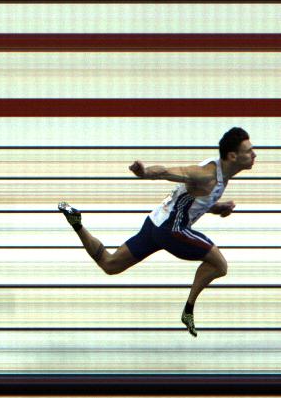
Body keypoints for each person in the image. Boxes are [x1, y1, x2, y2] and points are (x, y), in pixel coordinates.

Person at [59, 127, 255, 337]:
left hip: (155, 222)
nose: (254, 155)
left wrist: (218, 208)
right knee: (219, 265)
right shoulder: (207, 175)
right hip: (171, 229)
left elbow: (196, 200)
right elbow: (168, 172)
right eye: (249, 151)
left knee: (110, 264)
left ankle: (77, 223)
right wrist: (144, 172)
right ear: (232, 156)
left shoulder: (220, 175)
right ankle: (188, 310)